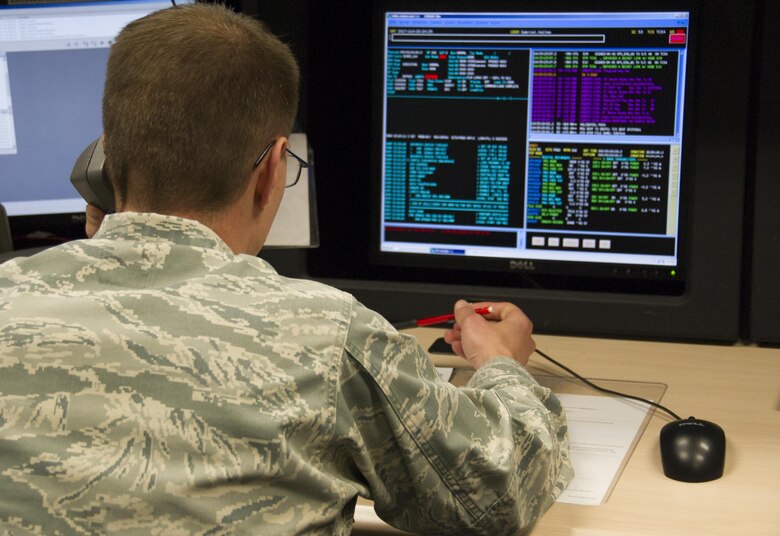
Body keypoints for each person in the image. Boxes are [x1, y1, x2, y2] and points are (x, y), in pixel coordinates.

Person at [0, 3, 572, 535]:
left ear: (103, 154)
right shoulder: (325, 335)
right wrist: (501, 363)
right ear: (273, 168)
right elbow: (499, 491)